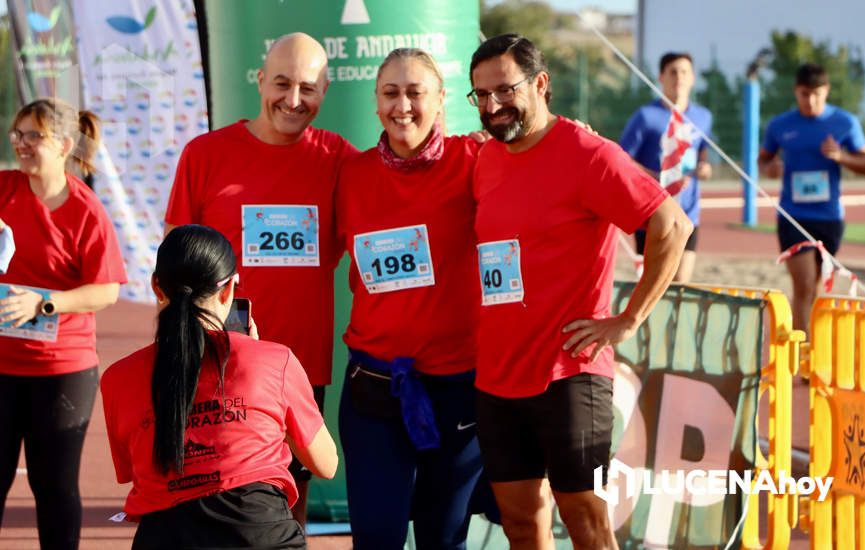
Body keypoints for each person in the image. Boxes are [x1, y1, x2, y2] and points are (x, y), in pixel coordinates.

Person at [468, 34, 693, 549]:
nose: (492, 105)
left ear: (541, 84)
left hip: (569, 370)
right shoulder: (485, 160)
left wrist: (629, 318)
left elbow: (672, 227)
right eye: (480, 95)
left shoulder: (588, 154)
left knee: (585, 517)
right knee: (520, 520)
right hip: (499, 374)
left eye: (504, 90)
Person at [164, 32, 356, 523]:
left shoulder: (339, 160)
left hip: (299, 365)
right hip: (211, 360)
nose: (293, 100)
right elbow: (172, 269)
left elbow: (407, 186)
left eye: (308, 88)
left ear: (326, 91)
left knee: (291, 500)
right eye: (281, 83)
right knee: (206, 502)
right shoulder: (205, 154)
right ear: (259, 81)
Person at [335, 48, 495, 549]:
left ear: (442, 100)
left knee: (443, 538)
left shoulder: (479, 161)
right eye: (390, 93)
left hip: (458, 390)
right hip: (374, 386)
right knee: (377, 538)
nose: (402, 106)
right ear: (376, 104)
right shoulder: (349, 173)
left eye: (415, 92)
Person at [101, 225, 337, 549]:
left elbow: (132, 470)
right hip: (260, 533)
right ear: (228, 291)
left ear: (157, 287)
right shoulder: (274, 361)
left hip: (165, 537)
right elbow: (326, 465)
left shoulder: (118, 378)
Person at [0, 98, 126, 549]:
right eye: (18, 135)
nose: (23, 144)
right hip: (1, 367)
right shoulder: (4, 189)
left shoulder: (86, 211)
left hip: (60, 373)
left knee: (53, 487)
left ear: (65, 144)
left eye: (34, 135)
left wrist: (44, 303)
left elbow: (107, 291)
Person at [759, 62, 865, 333]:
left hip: (829, 217)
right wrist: (770, 169)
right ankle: (804, 354)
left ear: (827, 91)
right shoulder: (780, 125)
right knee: (804, 283)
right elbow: (763, 160)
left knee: (817, 287)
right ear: (795, 92)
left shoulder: (844, 122)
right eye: (804, 94)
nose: (810, 101)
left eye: (817, 94)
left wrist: (840, 156)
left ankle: (815, 346)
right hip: (792, 215)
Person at [620, 51, 712, 283]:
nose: (678, 77)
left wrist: (704, 167)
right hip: (653, 211)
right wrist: (654, 175)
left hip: (688, 210)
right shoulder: (645, 116)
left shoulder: (703, 117)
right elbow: (621, 158)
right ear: (661, 77)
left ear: (692, 78)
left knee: (681, 281)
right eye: (672, 72)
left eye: (684, 72)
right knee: (654, 282)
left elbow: (703, 151)